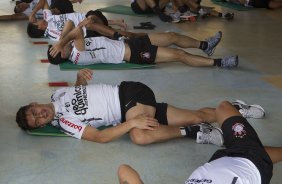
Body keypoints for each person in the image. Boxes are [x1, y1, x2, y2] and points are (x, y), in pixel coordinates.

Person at [16, 69, 265, 146]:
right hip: (132, 109)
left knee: (140, 136)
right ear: (42, 125)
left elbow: (77, 92)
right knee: (194, 115)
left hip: (128, 93)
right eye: (37, 122)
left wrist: (80, 80)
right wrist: (132, 120)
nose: (39, 116)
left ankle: (197, 133)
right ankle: (235, 110)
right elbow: (100, 137)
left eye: (34, 112)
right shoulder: (65, 122)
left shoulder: (57, 93)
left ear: (35, 104)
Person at [117, 101, 282, 184]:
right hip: (251, 164)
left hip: (221, 161)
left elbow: (124, 170)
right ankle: (239, 109)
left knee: (252, 152)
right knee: (224, 107)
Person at [48, 23, 238, 69]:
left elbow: (69, 26)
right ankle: (219, 63)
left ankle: (205, 45)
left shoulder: (70, 46)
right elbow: (76, 30)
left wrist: (60, 42)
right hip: (134, 54)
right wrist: (62, 42)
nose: (58, 45)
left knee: (170, 36)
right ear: (62, 54)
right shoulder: (78, 55)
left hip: (128, 43)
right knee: (178, 54)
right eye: (57, 48)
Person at [26, 0, 127, 40]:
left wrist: (33, 12)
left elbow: (43, 1)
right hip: (88, 30)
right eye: (36, 21)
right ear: (39, 26)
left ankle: (118, 31)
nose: (38, 19)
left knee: (92, 17)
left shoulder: (47, 17)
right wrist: (79, 26)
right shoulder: (51, 33)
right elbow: (63, 38)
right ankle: (123, 34)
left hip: (87, 16)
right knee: (116, 33)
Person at [0, 0, 78, 21]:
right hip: (54, 10)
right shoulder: (26, 13)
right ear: (21, 12)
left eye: (19, 5)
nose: (21, 6)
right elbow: (11, 17)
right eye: (20, 8)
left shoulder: (30, 1)